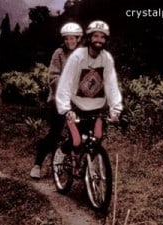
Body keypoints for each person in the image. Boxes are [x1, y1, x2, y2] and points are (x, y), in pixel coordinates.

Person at [55, 20, 123, 151]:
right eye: (96, 36)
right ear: (89, 37)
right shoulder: (77, 56)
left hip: (97, 108)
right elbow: (65, 83)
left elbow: (111, 84)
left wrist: (116, 108)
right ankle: (62, 155)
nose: (99, 40)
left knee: (96, 140)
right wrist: (66, 109)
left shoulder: (106, 58)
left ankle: (89, 169)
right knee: (76, 142)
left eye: (103, 37)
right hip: (77, 107)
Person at [30, 22, 83, 179]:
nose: (69, 42)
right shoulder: (59, 54)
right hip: (58, 101)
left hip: (78, 102)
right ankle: (37, 165)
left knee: (81, 134)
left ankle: (69, 163)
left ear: (78, 39)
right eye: (66, 39)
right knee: (54, 134)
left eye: (72, 38)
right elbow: (53, 77)